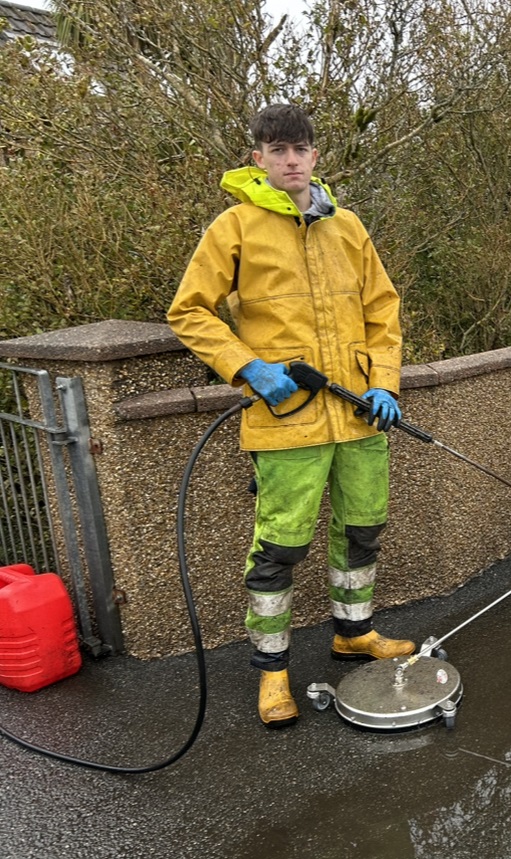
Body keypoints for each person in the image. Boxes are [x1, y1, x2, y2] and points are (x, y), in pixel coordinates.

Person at [168, 104, 415, 729]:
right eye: (277, 150)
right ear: (258, 158)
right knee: (280, 547)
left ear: (314, 154)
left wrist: (384, 383)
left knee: (361, 530)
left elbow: (383, 313)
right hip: (288, 420)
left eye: (299, 149)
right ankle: (273, 670)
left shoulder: (348, 227)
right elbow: (189, 311)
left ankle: (353, 634)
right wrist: (248, 367)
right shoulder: (236, 227)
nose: (290, 160)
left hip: (360, 417)